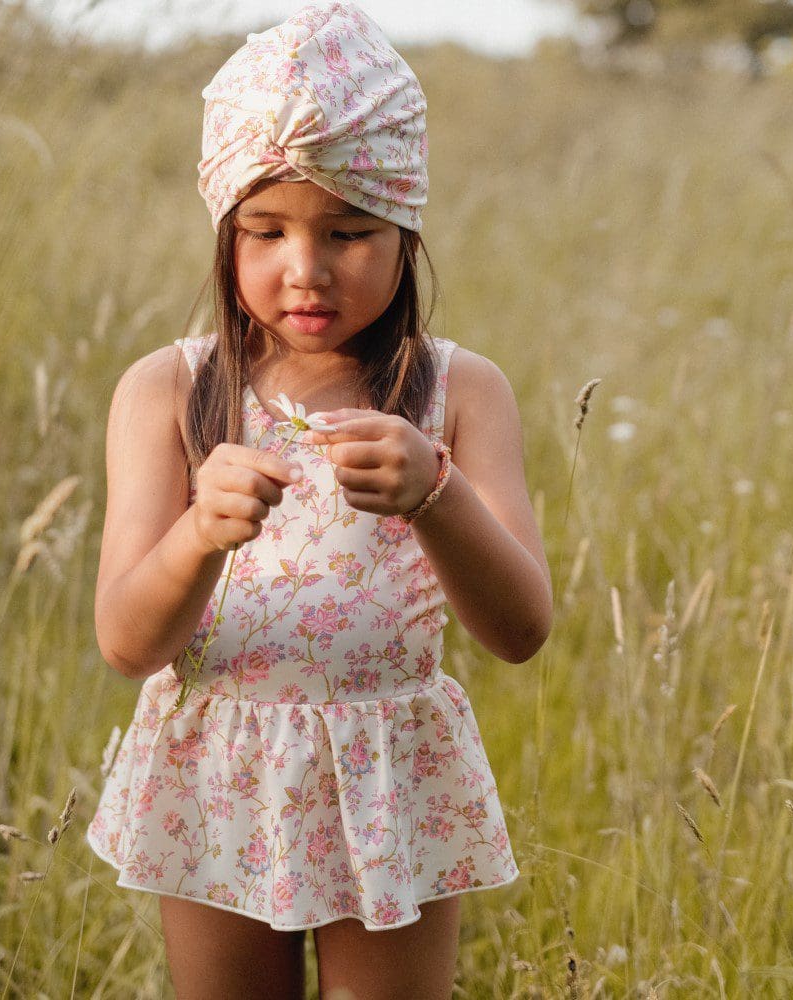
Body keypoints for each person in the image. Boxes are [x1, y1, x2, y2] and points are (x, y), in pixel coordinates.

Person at [86, 4, 551, 998]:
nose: (307, 266)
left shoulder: (460, 393)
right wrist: (199, 533)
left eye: (349, 229)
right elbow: (128, 642)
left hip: (392, 767)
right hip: (220, 764)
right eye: (266, 230)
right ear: (226, 231)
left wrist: (438, 493)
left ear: (405, 228)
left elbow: (519, 628)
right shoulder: (168, 391)